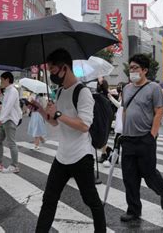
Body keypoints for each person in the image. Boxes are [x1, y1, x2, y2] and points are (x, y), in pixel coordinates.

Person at [34, 48, 106, 232]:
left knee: (91, 200)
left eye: (53, 70)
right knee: (49, 199)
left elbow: (84, 126)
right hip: (62, 156)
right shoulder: (59, 92)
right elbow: (56, 123)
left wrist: (58, 113)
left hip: (81, 156)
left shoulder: (83, 93)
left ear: (64, 68)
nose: (51, 75)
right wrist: (42, 111)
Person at [120, 54, 163, 222]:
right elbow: (125, 110)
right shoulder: (126, 88)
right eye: (130, 67)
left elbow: (159, 111)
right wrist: (122, 131)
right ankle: (133, 210)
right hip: (128, 139)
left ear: (145, 70)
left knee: (149, 175)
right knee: (129, 177)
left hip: (145, 139)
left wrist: (152, 135)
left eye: (135, 68)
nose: (132, 70)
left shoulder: (153, 87)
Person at [0, 72, 22, 173]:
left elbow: (8, 107)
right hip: (5, 120)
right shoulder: (8, 91)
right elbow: (5, 103)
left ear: (7, 80)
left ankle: (15, 166)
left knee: (11, 143)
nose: (1, 82)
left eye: (2, 80)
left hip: (10, 119)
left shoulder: (13, 91)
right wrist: (0, 95)